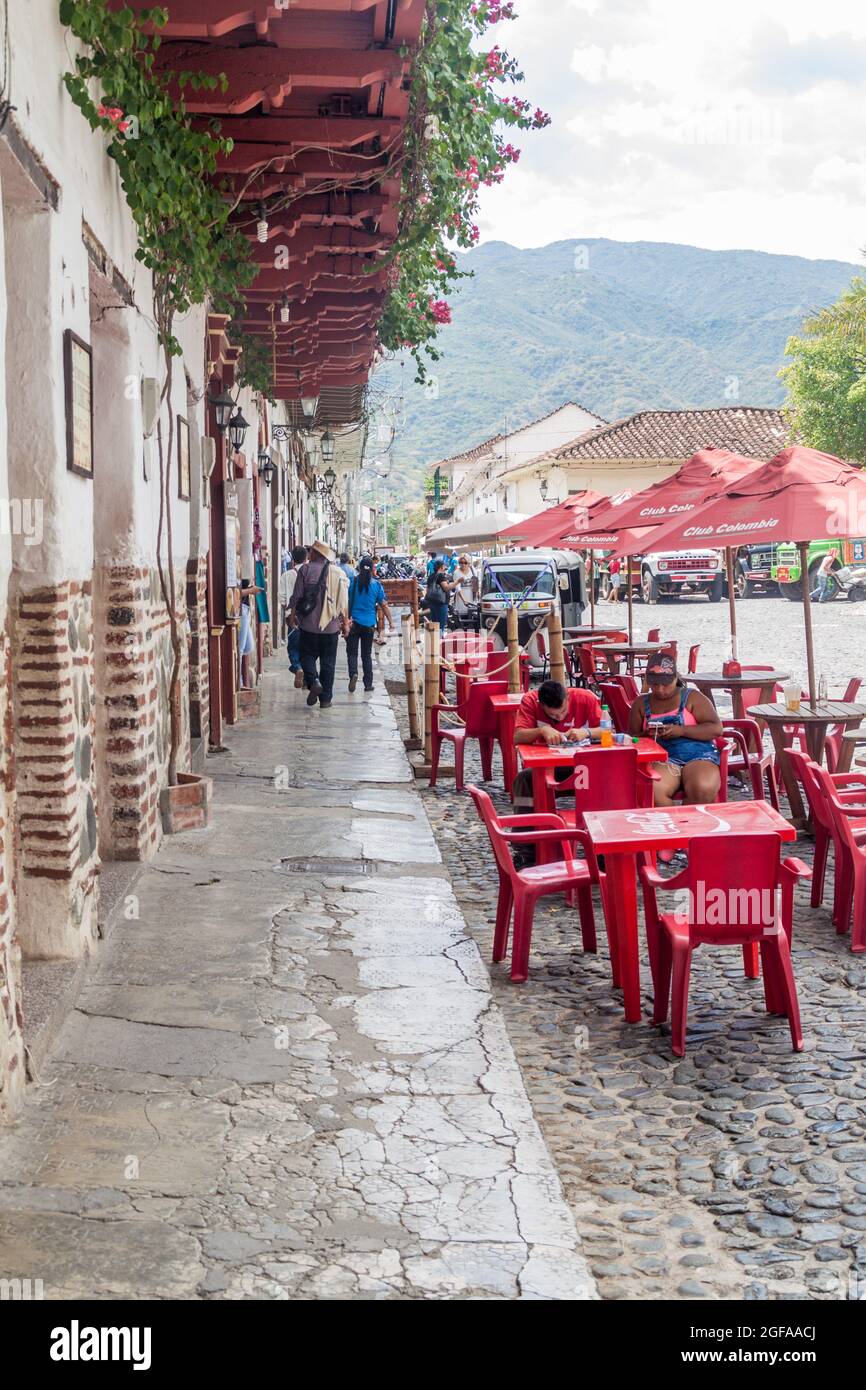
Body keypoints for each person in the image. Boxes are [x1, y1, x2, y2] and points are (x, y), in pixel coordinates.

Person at [510, 679, 604, 865]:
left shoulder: (585, 698)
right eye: (553, 715)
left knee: (609, 780)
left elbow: (609, 730)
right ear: (541, 705)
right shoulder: (530, 701)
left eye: (563, 711)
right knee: (523, 780)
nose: (560, 718)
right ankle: (526, 848)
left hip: (585, 769)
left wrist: (588, 732)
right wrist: (541, 730)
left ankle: (604, 847)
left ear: (568, 698)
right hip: (547, 770)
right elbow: (517, 736)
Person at [627, 652, 723, 805]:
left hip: (699, 755)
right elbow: (631, 737)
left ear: (676, 678)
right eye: (655, 685)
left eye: (665, 684)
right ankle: (674, 822)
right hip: (664, 759)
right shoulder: (640, 704)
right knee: (653, 790)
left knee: (702, 788)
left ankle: (690, 823)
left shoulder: (692, 697)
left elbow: (716, 729)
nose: (660, 689)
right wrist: (646, 736)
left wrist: (682, 731)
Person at [289, 540, 350, 709]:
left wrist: (292, 616)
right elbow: (343, 603)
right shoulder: (338, 573)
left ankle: (314, 681)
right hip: (330, 627)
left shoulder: (305, 570)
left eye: (311, 551)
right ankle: (326, 700)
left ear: (314, 554)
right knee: (328, 663)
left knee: (306, 657)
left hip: (308, 626)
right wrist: (345, 624)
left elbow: (296, 597)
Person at [346, 555, 394, 692]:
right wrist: (391, 622)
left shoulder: (352, 582)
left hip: (353, 622)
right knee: (366, 655)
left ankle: (353, 674)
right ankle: (368, 684)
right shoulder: (376, 585)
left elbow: (345, 602)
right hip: (369, 624)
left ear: (359, 568)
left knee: (352, 653)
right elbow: (384, 605)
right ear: (372, 568)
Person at [279, 545, 307, 687]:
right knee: (307, 647)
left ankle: (297, 667)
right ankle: (307, 676)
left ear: (293, 559)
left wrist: (288, 612)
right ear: (306, 557)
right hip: (308, 616)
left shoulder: (286, 575)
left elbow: (282, 599)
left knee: (294, 646)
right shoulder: (310, 573)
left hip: (291, 617)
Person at [421, 558, 456, 632]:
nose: (445, 567)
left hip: (432, 603)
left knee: (435, 625)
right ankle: (439, 641)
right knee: (441, 626)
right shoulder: (441, 576)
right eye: (444, 566)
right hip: (441, 604)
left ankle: (435, 641)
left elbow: (427, 590)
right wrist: (457, 582)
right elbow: (446, 588)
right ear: (441, 567)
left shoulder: (431, 576)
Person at [453, 554, 478, 620]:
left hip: (472, 596)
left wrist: (478, 594)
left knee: (473, 616)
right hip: (462, 597)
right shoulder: (456, 572)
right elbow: (457, 588)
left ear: (469, 563)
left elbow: (476, 583)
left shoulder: (473, 570)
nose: (463, 564)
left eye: (465, 563)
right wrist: (464, 600)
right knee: (463, 617)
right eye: (461, 563)